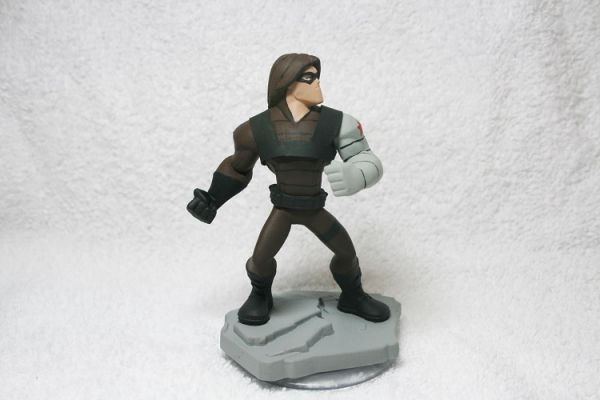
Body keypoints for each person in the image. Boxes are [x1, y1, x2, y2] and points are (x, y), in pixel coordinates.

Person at [187, 53, 390, 325]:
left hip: (314, 208)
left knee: (346, 254)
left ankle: (353, 295)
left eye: (317, 77)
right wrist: (212, 198)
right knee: (261, 259)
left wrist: (358, 173)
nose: (317, 83)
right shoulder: (255, 129)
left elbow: (365, 157)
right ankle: (260, 295)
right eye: (309, 77)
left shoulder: (337, 123)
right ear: (286, 82)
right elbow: (237, 168)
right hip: (283, 209)